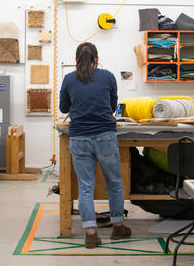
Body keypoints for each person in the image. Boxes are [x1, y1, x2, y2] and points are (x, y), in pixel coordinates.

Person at [59, 42, 131, 248]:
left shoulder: (69, 79)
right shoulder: (107, 76)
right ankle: (118, 228)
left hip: (79, 137)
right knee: (114, 183)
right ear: (96, 59)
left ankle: (91, 233)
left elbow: (64, 107)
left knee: (85, 186)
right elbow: (111, 106)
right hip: (105, 136)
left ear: (76, 60)